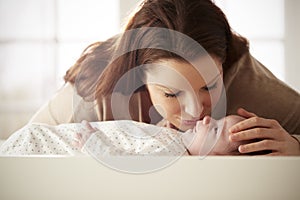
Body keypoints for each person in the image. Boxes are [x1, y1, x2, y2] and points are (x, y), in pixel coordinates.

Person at [29, 0, 300, 155]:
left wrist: (295, 147)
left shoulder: (252, 87)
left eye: (209, 85)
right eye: (171, 93)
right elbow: (21, 151)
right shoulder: (96, 92)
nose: (197, 112)